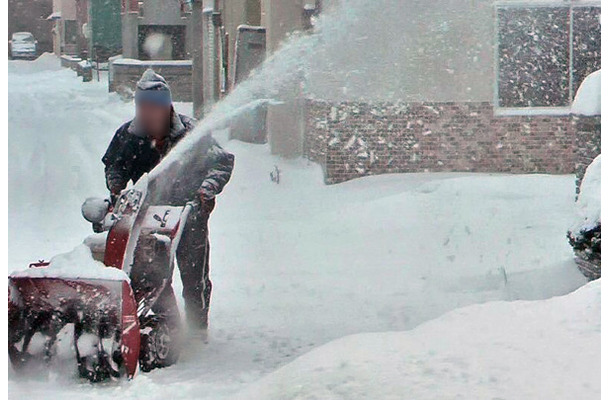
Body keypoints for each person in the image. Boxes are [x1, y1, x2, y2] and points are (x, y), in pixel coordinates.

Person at [102, 69, 234, 331]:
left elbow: (221, 163)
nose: (146, 113)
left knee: (194, 277)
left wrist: (205, 191)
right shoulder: (127, 135)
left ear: (167, 107)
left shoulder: (191, 133)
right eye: (141, 106)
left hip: (189, 215)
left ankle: (197, 331)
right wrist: (116, 186)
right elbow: (114, 166)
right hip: (146, 219)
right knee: (152, 277)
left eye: (152, 107)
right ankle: (168, 329)